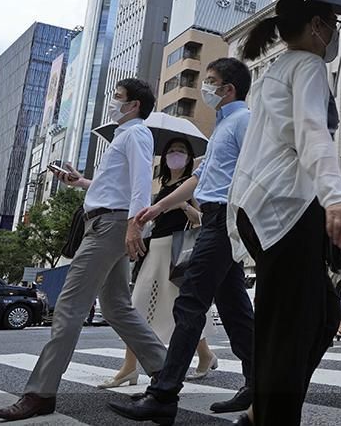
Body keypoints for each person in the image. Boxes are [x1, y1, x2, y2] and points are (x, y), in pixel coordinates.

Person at [0, 80, 168, 421]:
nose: (112, 102)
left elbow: (142, 180)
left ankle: (40, 394)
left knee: (70, 307)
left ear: (133, 106)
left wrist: (136, 223)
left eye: (117, 97)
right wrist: (81, 182)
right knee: (116, 307)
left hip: (109, 227)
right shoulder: (125, 135)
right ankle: (166, 373)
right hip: (108, 222)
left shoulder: (136, 133)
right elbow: (116, 186)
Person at [229, 0, 341, 424]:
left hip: (261, 205)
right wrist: (336, 197)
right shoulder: (307, 65)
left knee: (320, 317)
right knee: (290, 328)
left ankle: (258, 412)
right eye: (334, 24)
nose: (336, 32)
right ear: (318, 26)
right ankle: (269, 417)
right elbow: (310, 131)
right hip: (286, 207)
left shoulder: (275, 70)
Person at [110, 59, 256, 423]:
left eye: (210, 82)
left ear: (228, 90)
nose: (205, 88)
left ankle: (163, 394)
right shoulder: (223, 124)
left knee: (190, 302)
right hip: (213, 217)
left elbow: (255, 172)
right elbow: (200, 178)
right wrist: (157, 207)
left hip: (224, 218)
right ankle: (259, 384)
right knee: (236, 310)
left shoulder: (244, 121)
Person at [98, 138, 217, 388]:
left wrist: (182, 203)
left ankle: (205, 354)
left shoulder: (191, 184)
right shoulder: (163, 186)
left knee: (183, 310)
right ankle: (129, 367)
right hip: (155, 252)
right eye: (171, 151)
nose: (176, 155)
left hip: (177, 252)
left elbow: (201, 219)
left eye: (181, 151)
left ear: (189, 158)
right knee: (137, 305)